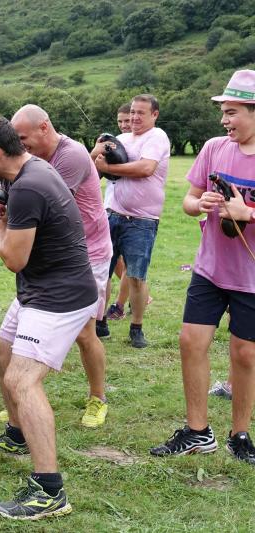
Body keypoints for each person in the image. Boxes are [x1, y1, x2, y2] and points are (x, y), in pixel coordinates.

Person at [0, 117, 97, 520]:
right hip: (39, 289)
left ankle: (49, 490)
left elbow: (13, 258)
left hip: (58, 296)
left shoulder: (29, 186)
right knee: (2, 353)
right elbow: (0, 196)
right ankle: (18, 433)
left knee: (22, 381)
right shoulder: (25, 172)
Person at [150, 70, 255, 465]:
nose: (224, 120)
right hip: (210, 270)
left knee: (245, 355)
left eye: (232, 112)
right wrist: (201, 204)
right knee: (190, 342)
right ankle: (197, 432)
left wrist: (248, 212)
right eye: (223, 112)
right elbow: (188, 201)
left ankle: (239, 434)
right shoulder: (213, 148)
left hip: (251, 278)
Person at [6, 104, 112, 427]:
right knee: (26, 325)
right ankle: (27, 394)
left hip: (88, 253)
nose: (20, 146)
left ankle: (98, 399)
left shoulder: (71, 156)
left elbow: (43, 206)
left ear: (44, 127)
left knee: (84, 333)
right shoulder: (33, 160)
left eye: (23, 138)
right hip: (56, 255)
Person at [92, 94, 171, 348]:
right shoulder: (121, 139)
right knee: (103, 273)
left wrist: (109, 168)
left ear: (154, 115)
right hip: (111, 215)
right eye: (133, 112)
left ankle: (136, 327)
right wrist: (96, 154)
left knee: (136, 276)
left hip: (142, 220)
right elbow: (94, 171)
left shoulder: (157, 136)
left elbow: (146, 168)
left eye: (141, 113)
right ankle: (100, 322)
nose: (135, 117)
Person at [102, 103, 133, 324]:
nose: (123, 125)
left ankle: (120, 304)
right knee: (112, 259)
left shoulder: (141, 146)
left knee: (130, 264)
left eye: (127, 120)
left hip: (132, 212)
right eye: (120, 121)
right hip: (110, 206)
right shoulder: (116, 143)